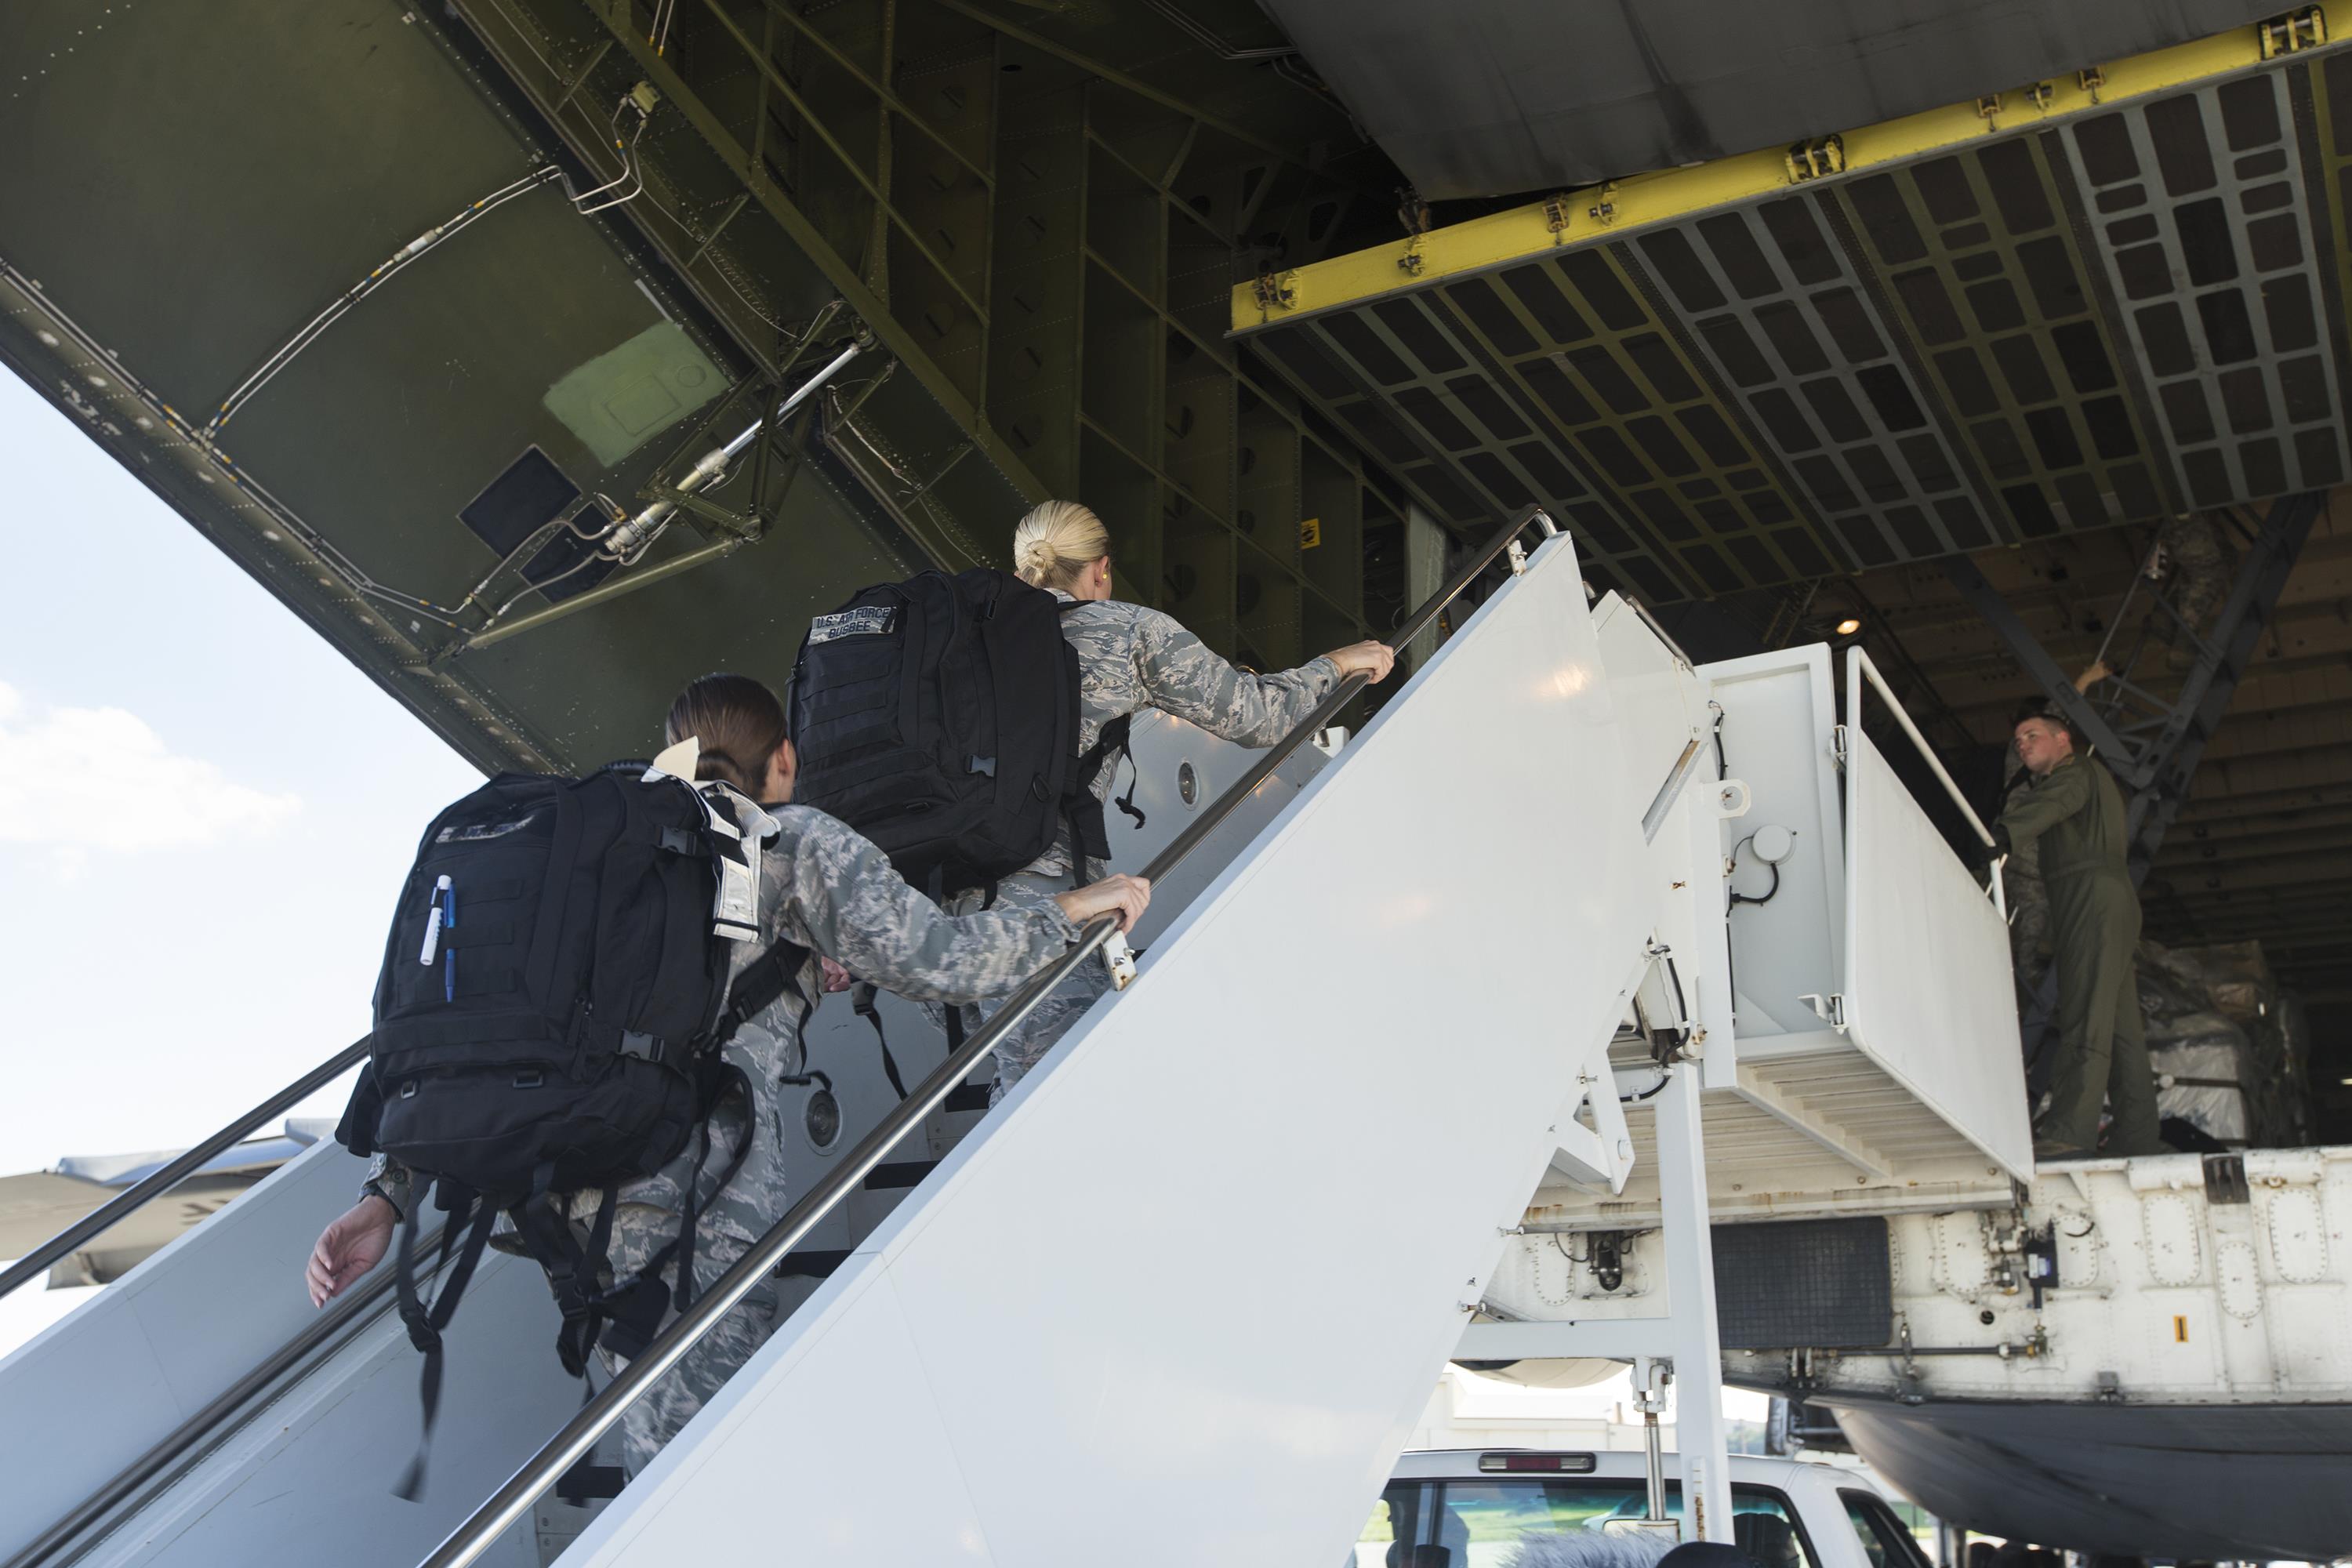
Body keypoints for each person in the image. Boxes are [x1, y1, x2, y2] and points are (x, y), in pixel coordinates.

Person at [304, 673, 1151, 1476]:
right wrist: (1077, 906)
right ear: (783, 757)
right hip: (692, 1198)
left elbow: (503, 1028)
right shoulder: (785, 838)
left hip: (562, 1194)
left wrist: (387, 1194)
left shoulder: (620, 850)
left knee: (666, 1456)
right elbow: (941, 959)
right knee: (713, 1464)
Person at [942, 498, 1398, 1102]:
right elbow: (1256, 716)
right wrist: (1335, 664)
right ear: (1101, 570)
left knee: (1024, 1088)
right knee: (1062, 1099)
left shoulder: (961, 634)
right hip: (1041, 895)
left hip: (940, 902)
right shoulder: (1126, 631)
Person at [1987, 706, 2159, 1160]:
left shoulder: (2075, 771)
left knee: (2084, 1010)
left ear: (2063, 739)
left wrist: (2005, 834)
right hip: (2098, 900)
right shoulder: (2076, 777)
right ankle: (2137, 1138)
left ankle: (2070, 1130)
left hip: (2091, 898)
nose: (2023, 744)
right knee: (2122, 1034)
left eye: (2032, 735)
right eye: (2018, 740)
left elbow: (2052, 803)